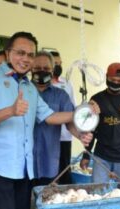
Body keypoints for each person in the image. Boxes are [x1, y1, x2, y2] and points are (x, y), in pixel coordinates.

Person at [0, 31, 92, 209]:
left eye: (30, 54)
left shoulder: (29, 88)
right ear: (9, 53)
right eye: (20, 52)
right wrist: (10, 111)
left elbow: (51, 116)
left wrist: (84, 113)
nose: (26, 59)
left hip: (24, 170)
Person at [32, 51, 87, 185]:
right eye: (37, 68)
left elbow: (69, 121)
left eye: (46, 69)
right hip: (24, 161)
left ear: (52, 70)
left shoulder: (61, 95)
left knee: (47, 199)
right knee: (21, 203)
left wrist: (80, 135)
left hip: (49, 158)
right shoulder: (22, 90)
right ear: (31, 69)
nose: (42, 71)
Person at [50, 51, 76, 184]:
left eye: (60, 63)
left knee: (64, 170)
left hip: (65, 135)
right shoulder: (41, 85)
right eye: (55, 63)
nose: (58, 66)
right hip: (47, 137)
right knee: (50, 173)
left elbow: (73, 108)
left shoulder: (67, 84)